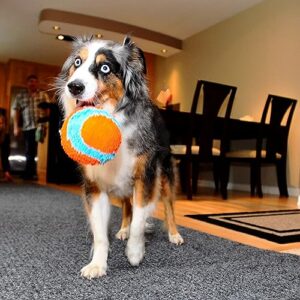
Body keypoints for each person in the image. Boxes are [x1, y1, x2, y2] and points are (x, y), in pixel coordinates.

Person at [13, 74, 50, 180]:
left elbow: (48, 110)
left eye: (34, 81)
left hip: (42, 127)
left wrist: (48, 125)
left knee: (40, 152)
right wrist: (16, 127)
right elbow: (16, 111)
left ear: (37, 83)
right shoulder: (20, 96)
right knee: (29, 150)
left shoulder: (43, 95)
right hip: (27, 127)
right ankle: (29, 173)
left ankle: (35, 173)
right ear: (27, 83)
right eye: (30, 81)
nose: (32, 83)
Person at [0, 113, 13, 181]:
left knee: (5, 155)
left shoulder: (6, 135)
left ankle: (7, 173)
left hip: (5, 139)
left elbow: (6, 153)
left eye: (2, 123)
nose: (1, 125)